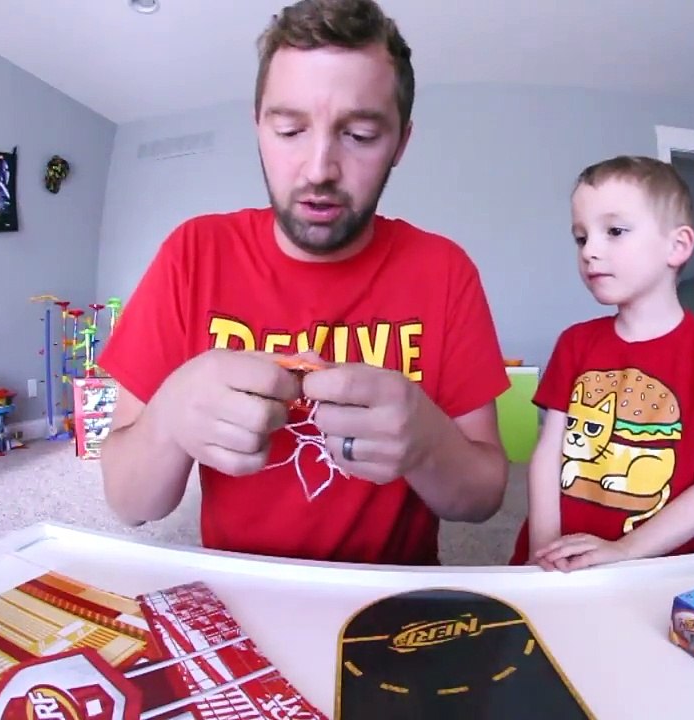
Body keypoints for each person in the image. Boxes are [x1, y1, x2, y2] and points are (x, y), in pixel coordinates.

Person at [96, 0, 511, 566]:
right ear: (258, 126)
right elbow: (129, 501)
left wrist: (428, 441)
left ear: (401, 143)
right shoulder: (193, 254)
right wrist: (170, 415)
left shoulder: (444, 270)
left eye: (360, 135)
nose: (319, 168)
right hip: (241, 596)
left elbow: (483, 500)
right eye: (290, 129)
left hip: (389, 601)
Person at [510, 155, 694, 572]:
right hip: (560, 551)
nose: (590, 252)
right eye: (581, 238)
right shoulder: (575, 342)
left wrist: (625, 550)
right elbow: (548, 454)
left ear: (677, 246)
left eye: (615, 231)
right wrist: (544, 549)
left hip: (656, 559)